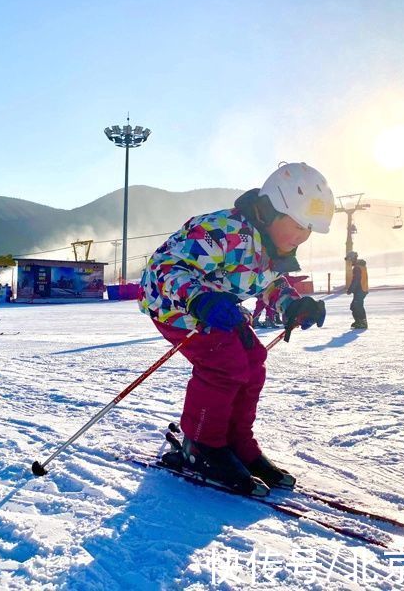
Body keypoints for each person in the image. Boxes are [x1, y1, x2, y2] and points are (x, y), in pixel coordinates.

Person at [139, 162, 333, 495]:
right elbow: (165, 266)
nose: (302, 236)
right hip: (174, 304)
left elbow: (268, 284)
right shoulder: (222, 230)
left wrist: (293, 305)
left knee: (253, 361)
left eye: (309, 229)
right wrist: (199, 298)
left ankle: (236, 442)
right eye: (299, 225)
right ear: (271, 210)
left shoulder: (271, 245)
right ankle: (201, 445)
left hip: (217, 306)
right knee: (223, 364)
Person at [346, 252, 369, 329]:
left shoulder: (357, 268)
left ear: (353, 259)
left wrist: (350, 290)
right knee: (354, 306)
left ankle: (362, 322)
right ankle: (359, 321)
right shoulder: (360, 266)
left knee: (357, 306)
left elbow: (356, 280)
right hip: (362, 289)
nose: (349, 262)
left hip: (360, 289)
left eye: (350, 260)